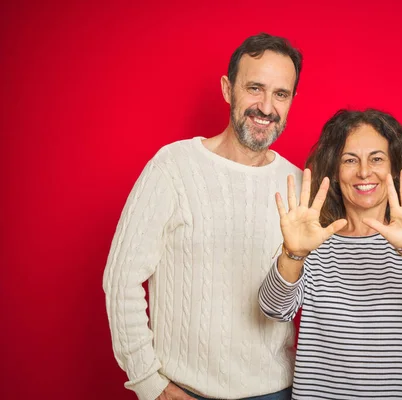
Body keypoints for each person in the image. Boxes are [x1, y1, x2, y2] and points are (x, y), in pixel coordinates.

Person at [102, 33, 303, 400]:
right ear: (228, 89)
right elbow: (121, 279)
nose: (266, 107)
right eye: (255, 88)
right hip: (183, 390)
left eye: (281, 94)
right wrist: (149, 382)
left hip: (276, 391)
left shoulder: (299, 185)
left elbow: (330, 294)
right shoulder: (173, 167)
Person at [259, 109, 402, 399]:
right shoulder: (310, 239)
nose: (363, 172)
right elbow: (274, 309)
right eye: (349, 160)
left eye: (377, 159)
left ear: (394, 168)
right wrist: (293, 253)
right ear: (335, 171)